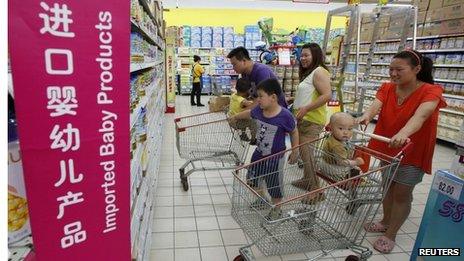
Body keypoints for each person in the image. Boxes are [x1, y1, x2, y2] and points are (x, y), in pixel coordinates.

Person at [357, 49, 446, 254]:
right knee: (388, 186)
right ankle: (386, 220)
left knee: (402, 193)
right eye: (391, 69)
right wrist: (366, 116)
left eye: (399, 69)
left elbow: (421, 116)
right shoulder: (388, 88)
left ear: (416, 69)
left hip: (412, 149)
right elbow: (375, 106)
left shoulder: (431, 91)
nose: (393, 74)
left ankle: (391, 234)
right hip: (388, 146)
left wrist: (404, 133)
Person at [229, 78, 299, 219]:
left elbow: (294, 131)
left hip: (275, 158)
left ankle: (277, 209)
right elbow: (248, 113)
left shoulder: (285, 116)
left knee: (274, 186)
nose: (258, 100)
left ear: (273, 97)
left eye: (260, 96)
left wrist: (295, 150)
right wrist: (235, 117)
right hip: (258, 154)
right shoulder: (259, 111)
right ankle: (262, 200)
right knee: (251, 180)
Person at [290, 43, 332, 204]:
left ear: (316, 55)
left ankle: (316, 191)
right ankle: (307, 180)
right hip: (303, 119)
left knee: (307, 155)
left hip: (312, 120)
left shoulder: (319, 71)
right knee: (304, 154)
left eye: (307, 55)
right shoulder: (311, 73)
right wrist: (294, 101)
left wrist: (306, 108)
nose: (303, 58)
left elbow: (327, 95)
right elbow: (311, 94)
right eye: (302, 55)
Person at [319, 112, 365, 180]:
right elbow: (341, 162)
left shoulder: (332, 137)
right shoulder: (337, 146)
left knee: (354, 168)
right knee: (357, 170)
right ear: (331, 128)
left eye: (349, 129)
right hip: (334, 169)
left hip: (325, 164)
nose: (346, 132)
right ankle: (360, 180)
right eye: (341, 128)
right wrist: (356, 162)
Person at [228, 78, 257, 143]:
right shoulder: (242, 101)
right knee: (253, 122)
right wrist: (255, 101)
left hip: (231, 120)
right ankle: (253, 140)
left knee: (243, 116)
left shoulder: (233, 95)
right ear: (247, 91)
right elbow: (252, 104)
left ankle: (243, 135)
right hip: (237, 122)